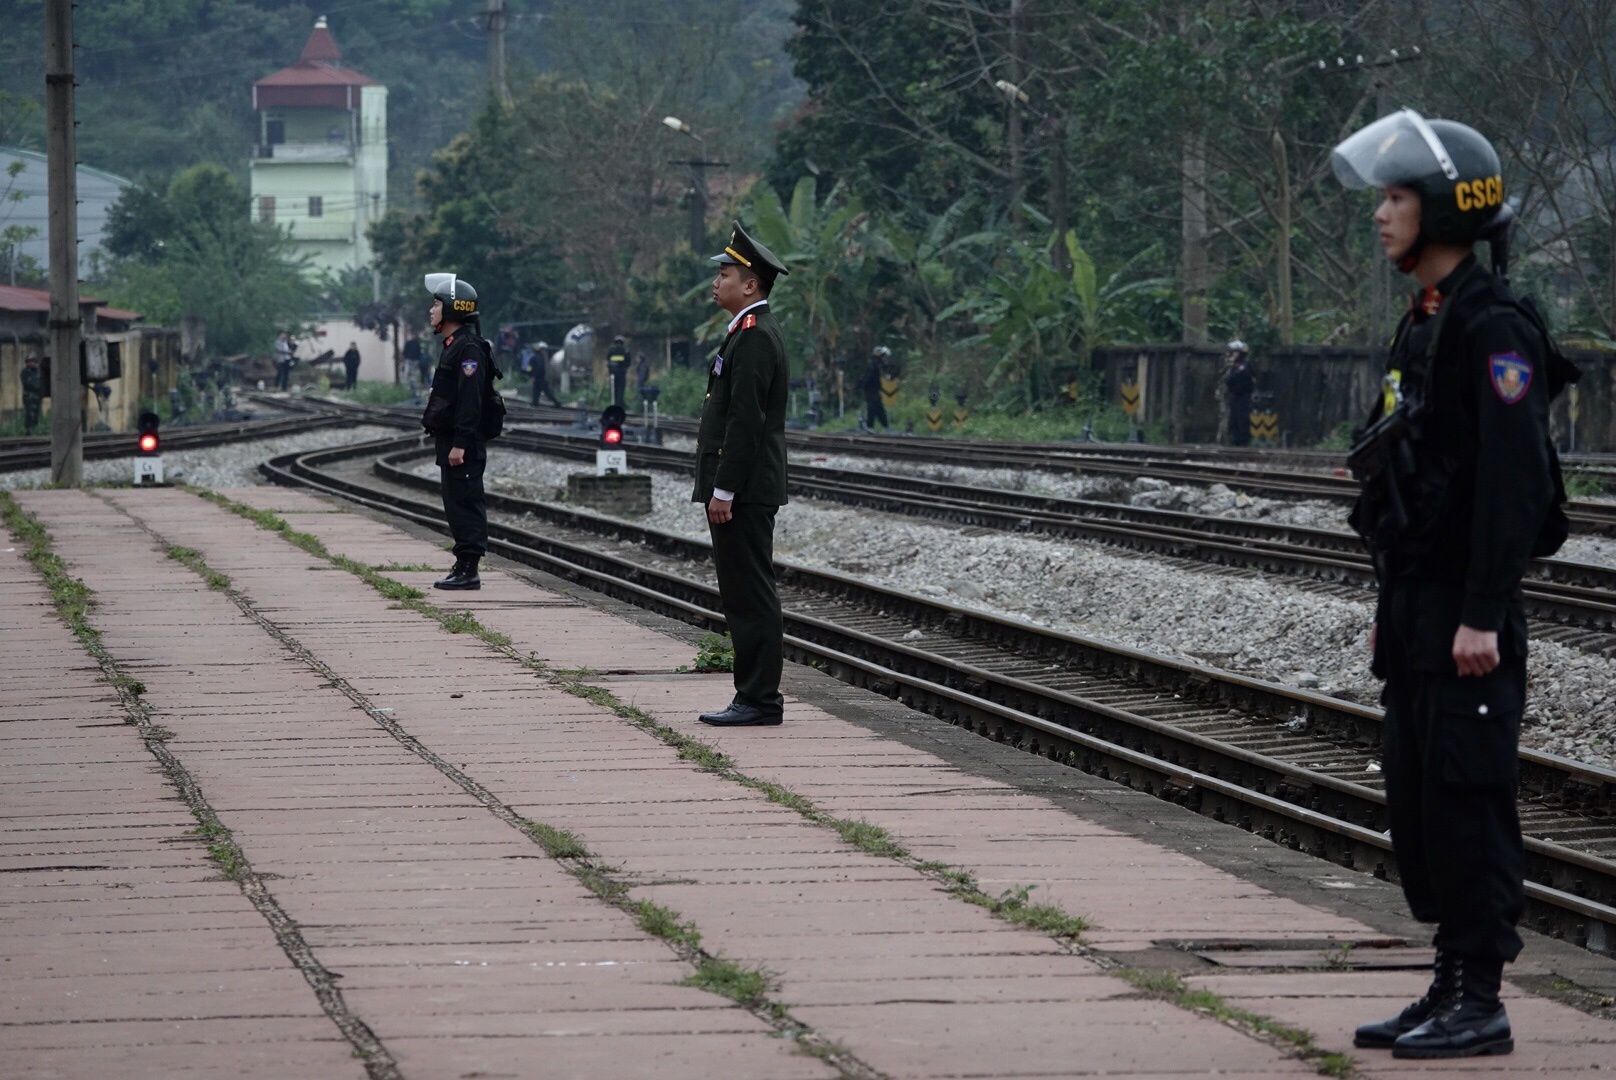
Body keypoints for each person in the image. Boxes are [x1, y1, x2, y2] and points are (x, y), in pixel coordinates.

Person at [1334, 109, 1574, 1060]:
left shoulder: (1494, 326)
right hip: (1416, 607)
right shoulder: (1425, 323)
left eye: (1394, 198)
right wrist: (1393, 610)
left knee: (1470, 799)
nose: (1380, 214)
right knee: (1421, 799)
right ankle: (1447, 982)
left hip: (1468, 616)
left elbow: (1516, 489)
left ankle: (1484, 997)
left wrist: (1480, 612)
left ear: (1440, 208)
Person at [693, 221, 791, 727]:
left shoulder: (754, 338)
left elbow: (746, 422)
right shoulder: (745, 333)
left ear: (750, 284)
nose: (717, 281)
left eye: (725, 273)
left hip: (745, 489)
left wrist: (723, 489)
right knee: (743, 590)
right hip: (745, 487)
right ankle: (753, 695)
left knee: (749, 591)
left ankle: (758, 699)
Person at [420, 273, 493, 591]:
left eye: (436, 304)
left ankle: (469, 569)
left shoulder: (469, 350)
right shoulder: (453, 346)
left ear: (451, 309)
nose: (431, 310)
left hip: (463, 444)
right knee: (454, 503)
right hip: (451, 440)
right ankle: (462, 564)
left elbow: (470, 402)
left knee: (466, 502)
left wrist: (461, 443)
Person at [1224, 341, 1253, 446]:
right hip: (1235, 396)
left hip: (1243, 397)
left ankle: (1243, 441)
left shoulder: (1244, 366)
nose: (1232, 355)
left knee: (1242, 419)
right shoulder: (1235, 366)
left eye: (1234, 352)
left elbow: (1234, 378)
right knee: (1234, 420)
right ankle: (1235, 440)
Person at [861, 346, 891, 430]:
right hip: (871, 391)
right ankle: (870, 426)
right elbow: (868, 380)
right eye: (883, 356)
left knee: (878, 408)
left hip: (874, 391)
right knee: (873, 408)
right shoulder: (873, 366)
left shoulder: (877, 365)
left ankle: (885, 426)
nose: (885, 358)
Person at [527, 339, 561, 407]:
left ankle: (556, 402)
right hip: (540, 377)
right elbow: (535, 368)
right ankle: (535, 403)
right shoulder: (541, 358)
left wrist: (532, 376)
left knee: (542, 391)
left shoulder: (534, 357)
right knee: (539, 391)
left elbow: (530, 368)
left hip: (538, 378)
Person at [20, 353, 42, 435]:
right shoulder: (25, 372)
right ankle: (29, 430)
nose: (31, 363)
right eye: (29, 361)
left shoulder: (38, 371)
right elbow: (28, 383)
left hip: (37, 396)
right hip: (29, 396)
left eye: (32, 361)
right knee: (29, 413)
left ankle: (34, 428)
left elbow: (41, 382)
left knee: (36, 413)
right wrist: (38, 386)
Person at [606, 334, 630, 408]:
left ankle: (614, 403)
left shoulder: (611, 351)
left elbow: (607, 361)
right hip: (622, 374)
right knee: (621, 389)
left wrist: (611, 369)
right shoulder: (625, 351)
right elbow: (628, 362)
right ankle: (619, 404)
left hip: (613, 374)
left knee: (614, 389)